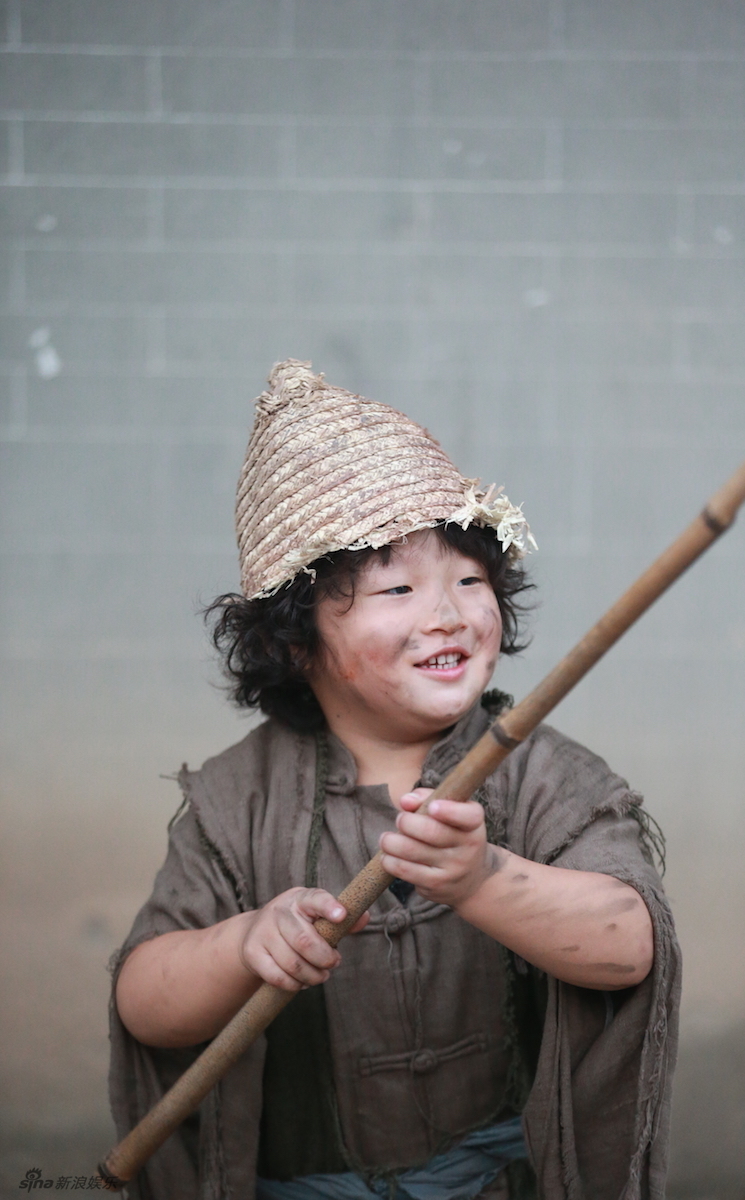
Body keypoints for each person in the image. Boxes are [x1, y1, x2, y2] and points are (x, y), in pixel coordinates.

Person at [109, 360, 680, 1200]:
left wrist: (485, 878)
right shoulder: (237, 802)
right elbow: (143, 1003)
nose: (446, 612)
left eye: (470, 580)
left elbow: (631, 944)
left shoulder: (542, 774)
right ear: (296, 641)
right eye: (399, 588)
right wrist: (241, 946)